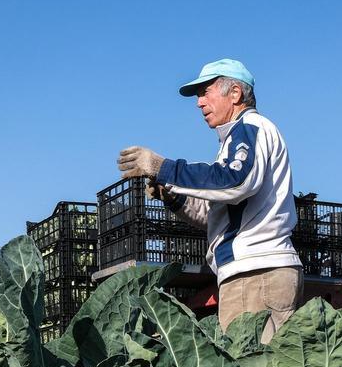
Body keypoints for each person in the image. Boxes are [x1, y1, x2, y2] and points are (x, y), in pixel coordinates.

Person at [117, 59, 302, 343]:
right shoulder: (233, 139)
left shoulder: (250, 127)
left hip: (256, 272)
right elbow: (219, 212)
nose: (199, 103)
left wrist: (162, 167)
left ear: (236, 93)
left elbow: (235, 180)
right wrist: (174, 197)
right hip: (248, 272)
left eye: (205, 92)